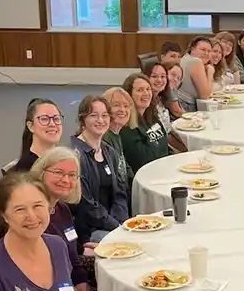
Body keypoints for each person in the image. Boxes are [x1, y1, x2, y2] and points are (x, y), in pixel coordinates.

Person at [31, 148, 98, 291]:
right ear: (41, 173)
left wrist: (82, 283)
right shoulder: (34, 221)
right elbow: (45, 278)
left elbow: (72, 255)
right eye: (59, 173)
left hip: (70, 283)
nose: (66, 180)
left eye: (72, 175)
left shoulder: (61, 209)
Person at [70, 96, 129, 244]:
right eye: (94, 115)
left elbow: (120, 193)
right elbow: (85, 205)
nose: (100, 120)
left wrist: (122, 221)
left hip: (113, 225)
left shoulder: (109, 152)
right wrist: (116, 226)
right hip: (90, 231)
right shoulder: (75, 156)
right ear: (83, 120)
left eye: (104, 115)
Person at [120, 72, 171, 173]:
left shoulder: (152, 115)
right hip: (148, 175)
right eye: (140, 90)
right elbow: (142, 160)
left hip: (164, 169)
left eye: (148, 89)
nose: (146, 93)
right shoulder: (128, 126)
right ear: (129, 95)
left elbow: (165, 146)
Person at [142, 61, 187, 154]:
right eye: (154, 76)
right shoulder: (144, 104)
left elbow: (168, 131)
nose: (159, 80)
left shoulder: (161, 98)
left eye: (163, 76)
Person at [101, 87, 135, 194]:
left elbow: (124, 167)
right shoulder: (105, 138)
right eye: (116, 105)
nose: (123, 110)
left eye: (126, 106)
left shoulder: (116, 135)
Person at [13, 100, 63, 172]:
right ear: (30, 126)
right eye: (44, 119)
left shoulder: (65, 162)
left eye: (56, 118)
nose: (52, 124)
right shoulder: (26, 169)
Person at [176, 36, 213, 112]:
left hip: (180, 103)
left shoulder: (185, 58)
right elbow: (205, 95)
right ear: (192, 49)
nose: (206, 53)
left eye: (209, 51)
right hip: (186, 106)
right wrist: (210, 72)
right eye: (203, 50)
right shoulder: (196, 61)